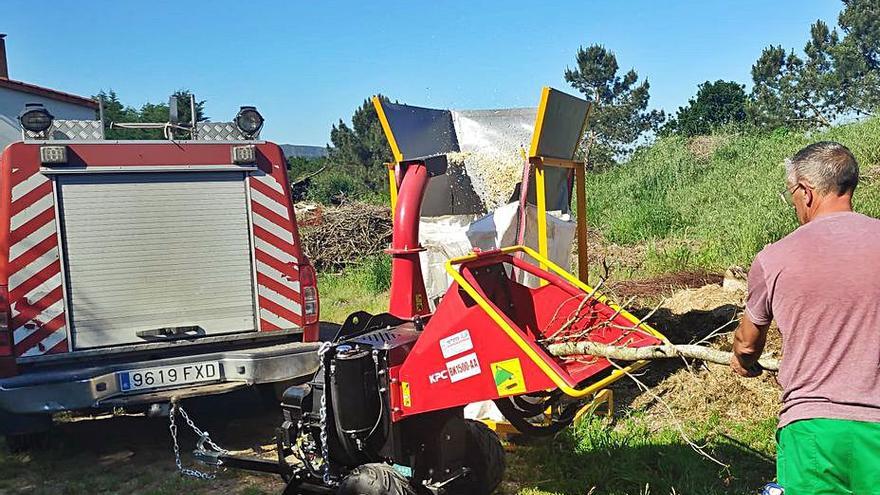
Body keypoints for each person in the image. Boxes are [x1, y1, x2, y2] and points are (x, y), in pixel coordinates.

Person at [731, 141, 880, 494]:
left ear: (807, 192)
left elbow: (748, 343)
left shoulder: (775, 258)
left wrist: (743, 360)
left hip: (813, 429)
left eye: (792, 194)